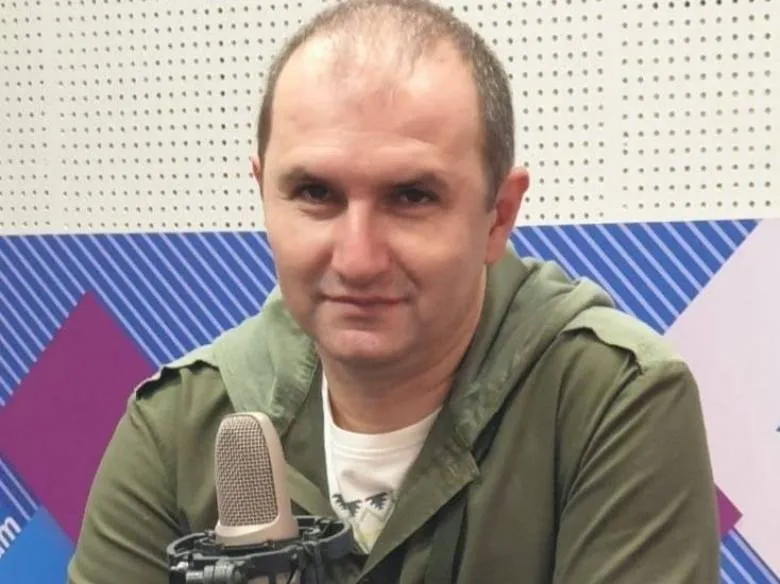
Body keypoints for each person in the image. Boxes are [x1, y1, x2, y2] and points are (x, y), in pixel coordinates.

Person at [67, 0, 720, 582]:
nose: (357, 260)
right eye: (315, 193)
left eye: (411, 197)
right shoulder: (178, 425)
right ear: (263, 194)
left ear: (498, 215)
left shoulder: (610, 403)